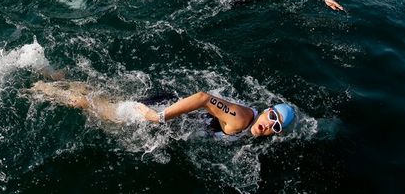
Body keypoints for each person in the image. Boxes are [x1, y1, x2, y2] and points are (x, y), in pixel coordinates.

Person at [28, 81, 296, 138]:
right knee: (100, 112)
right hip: (162, 110)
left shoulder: (250, 119)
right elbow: (203, 97)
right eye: (272, 116)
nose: (269, 124)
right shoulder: (239, 121)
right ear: (266, 109)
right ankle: (43, 90)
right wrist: (157, 117)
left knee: (104, 99)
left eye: (277, 125)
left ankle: (55, 77)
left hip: (172, 106)